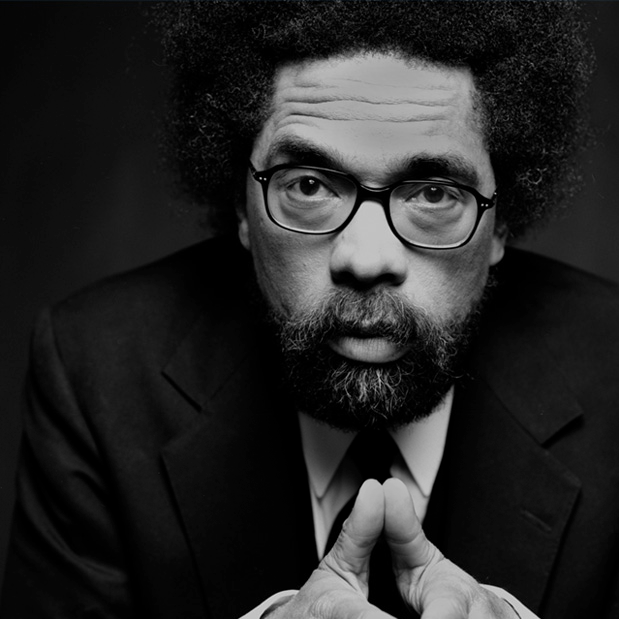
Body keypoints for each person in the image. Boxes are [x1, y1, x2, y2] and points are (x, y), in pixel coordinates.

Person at [2, 1, 619, 618]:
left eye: (434, 192)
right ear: (241, 206)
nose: (366, 257)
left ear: (502, 220)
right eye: (309, 185)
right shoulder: (97, 371)